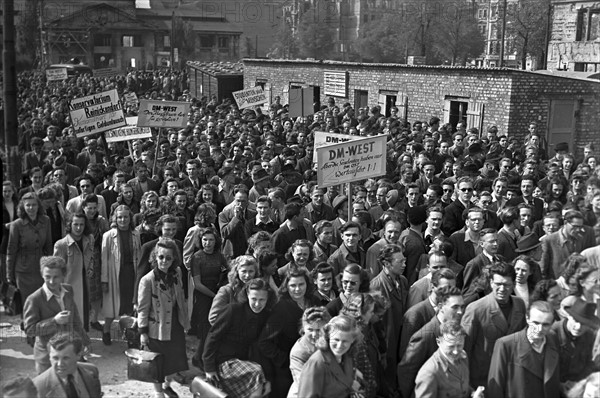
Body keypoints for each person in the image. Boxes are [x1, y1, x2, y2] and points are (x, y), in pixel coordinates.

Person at [203, 278, 275, 398]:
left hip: (247, 362)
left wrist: (268, 377)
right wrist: (209, 368)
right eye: (254, 299)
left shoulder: (266, 315)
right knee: (256, 372)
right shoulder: (233, 310)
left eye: (262, 300)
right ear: (247, 294)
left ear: (268, 299)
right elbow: (213, 337)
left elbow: (263, 347)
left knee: (261, 385)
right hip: (224, 363)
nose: (257, 304)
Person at [461, 262, 527, 389]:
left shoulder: (520, 305)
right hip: (483, 380)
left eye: (507, 285)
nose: (502, 289)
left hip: (511, 378)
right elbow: (464, 349)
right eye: (498, 284)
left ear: (514, 285)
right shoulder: (476, 309)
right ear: (491, 283)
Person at [138, 237, 190, 398]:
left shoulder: (177, 273)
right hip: (157, 328)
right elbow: (143, 309)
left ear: (174, 258)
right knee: (158, 364)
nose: (164, 261)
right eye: (161, 257)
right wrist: (143, 332)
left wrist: (185, 322)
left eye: (168, 258)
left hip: (175, 324)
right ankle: (158, 392)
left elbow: (180, 299)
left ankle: (167, 385)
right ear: (155, 257)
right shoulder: (147, 280)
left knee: (174, 360)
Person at [258, 267, 320, 397]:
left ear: (307, 284)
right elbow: (264, 342)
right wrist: (284, 359)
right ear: (287, 286)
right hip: (288, 370)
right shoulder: (281, 307)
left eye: (301, 284)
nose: (297, 289)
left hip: (313, 360)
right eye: (293, 285)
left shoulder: (314, 302)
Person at [23, 256, 89, 374]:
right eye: (47, 277)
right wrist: (54, 321)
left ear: (63, 275)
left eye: (56, 277)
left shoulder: (68, 291)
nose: (52, 281)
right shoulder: (34, 299)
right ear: (42, 275)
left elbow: (75, 319)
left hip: (68, 354)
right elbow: (30, 330)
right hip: (47, 358)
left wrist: (84, 341)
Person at [397, 286, 465, 398]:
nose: (460, 312)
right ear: (440, 307)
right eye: (455, 307)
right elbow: (405, 373)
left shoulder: (455, 331)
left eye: (462, 307)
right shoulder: (424, 336)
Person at [487, 301, 561, 398]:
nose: (539, 329)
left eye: (545, 325)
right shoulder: (506, 345)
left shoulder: (553, 339)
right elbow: (495, 387)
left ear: (552, 324)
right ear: (527, 319)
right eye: (536, 323)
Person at [101, 205, 142, 345]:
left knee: (131, 305)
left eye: (126, 217)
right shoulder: (108, 235)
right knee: (113, 306)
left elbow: (139, 254)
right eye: (119, 217)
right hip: (115, 274)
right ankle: (106, 330)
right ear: (115, 219)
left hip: (131, 273)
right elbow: (104, 259)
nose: (123, 220)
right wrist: (104, 279)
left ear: (130, 218)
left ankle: (130, 334)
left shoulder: (136, 234)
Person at [370, 243, 408, 392]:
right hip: (386, 343)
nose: (405, 264)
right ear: (386, 264)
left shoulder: (403, 281)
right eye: (400, 262)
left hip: (401, 339)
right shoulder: (376, 287)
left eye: (404, 260)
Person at [414, 320, 485, 398]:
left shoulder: (463, 356)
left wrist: (473, 394)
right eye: (450, 346)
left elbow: (463, 387)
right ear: (438, 342)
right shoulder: (429, 373)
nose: (455, 351)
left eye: (459, 345)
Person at [189, 227, 228, 368]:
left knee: (215, 328)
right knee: (205, 330)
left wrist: (222, 289)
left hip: (217, 293)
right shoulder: (197, 257)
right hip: (203, 296)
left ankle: (203, 357)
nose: (208, 243)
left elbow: (228, 271)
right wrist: (215, 295)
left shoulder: (219, 256)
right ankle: (200, 359)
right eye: (205, 240)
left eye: (211, 240)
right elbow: (197, 284)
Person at [296, 315, 361, 398]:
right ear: (328, 337)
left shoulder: (347, 356)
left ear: (352, 340)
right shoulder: (317, 363)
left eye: (345, 341)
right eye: (336, 339)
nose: (339, 345)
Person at [6, 192, 52, 302]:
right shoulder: (16, 225)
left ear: (38, 206)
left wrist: (51, 267)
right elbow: (11, 250)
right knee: (26, 304)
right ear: (23, 207)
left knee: (41, 302)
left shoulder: (46, 221)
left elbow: (49, 245)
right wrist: (9, 274)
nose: (31, 208)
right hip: (23, 271)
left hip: (41, 269)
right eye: (28, 205)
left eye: (34, 205)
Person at [53, 212, 95, 329]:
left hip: (85, 283)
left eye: (81, 225)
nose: (78, 228)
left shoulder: (89, 239)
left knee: (85, 314)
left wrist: (91, 268)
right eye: (75, 224)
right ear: (69, 225)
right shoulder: (61, 244)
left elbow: (91, 257)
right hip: (69, 286)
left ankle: (83, 339)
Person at [32, 333, 101, 398]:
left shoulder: (91, 371)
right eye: (55, 358)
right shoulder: (37, 386)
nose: (60, 364)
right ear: (49, 357)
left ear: (79, 355)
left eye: (65, 358)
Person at [551, 298, 599, 387]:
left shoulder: (589, 335)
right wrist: (560, 384)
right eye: (576, 321)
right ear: (568, 316)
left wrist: (579, 383)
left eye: (584, 324)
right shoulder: (552, 334)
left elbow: (590, 363)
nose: (578, 327)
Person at [288, 307, 332, 398]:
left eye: (319, 330)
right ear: (303, 329)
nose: (314, 335)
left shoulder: (331, 342)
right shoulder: (298, 352)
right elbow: (306, 384)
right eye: (310, 330)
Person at [81, 194, 109, 331]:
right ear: (83, 208)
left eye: (94, 207)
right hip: (81, 259)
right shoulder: (79, 220)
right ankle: (83, 319)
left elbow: (107, 239)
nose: (92, 211)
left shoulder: (101, 221)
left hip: (98, 258)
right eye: (89, 208)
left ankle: (94, 319)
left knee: (97, 293)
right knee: (83, 291)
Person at [208, 255, 259, 325]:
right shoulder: (226, 291)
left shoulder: (258, 290)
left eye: (251, 271)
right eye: (244, 271)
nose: (247, 275)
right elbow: (214, 317)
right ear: (237, 272)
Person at [541, 210, 592, 279]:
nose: (578, 230)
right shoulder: (549, 240)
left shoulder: (581, 239)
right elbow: (542, 269)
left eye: (580, 227)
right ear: (565, 223)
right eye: (575, 226)